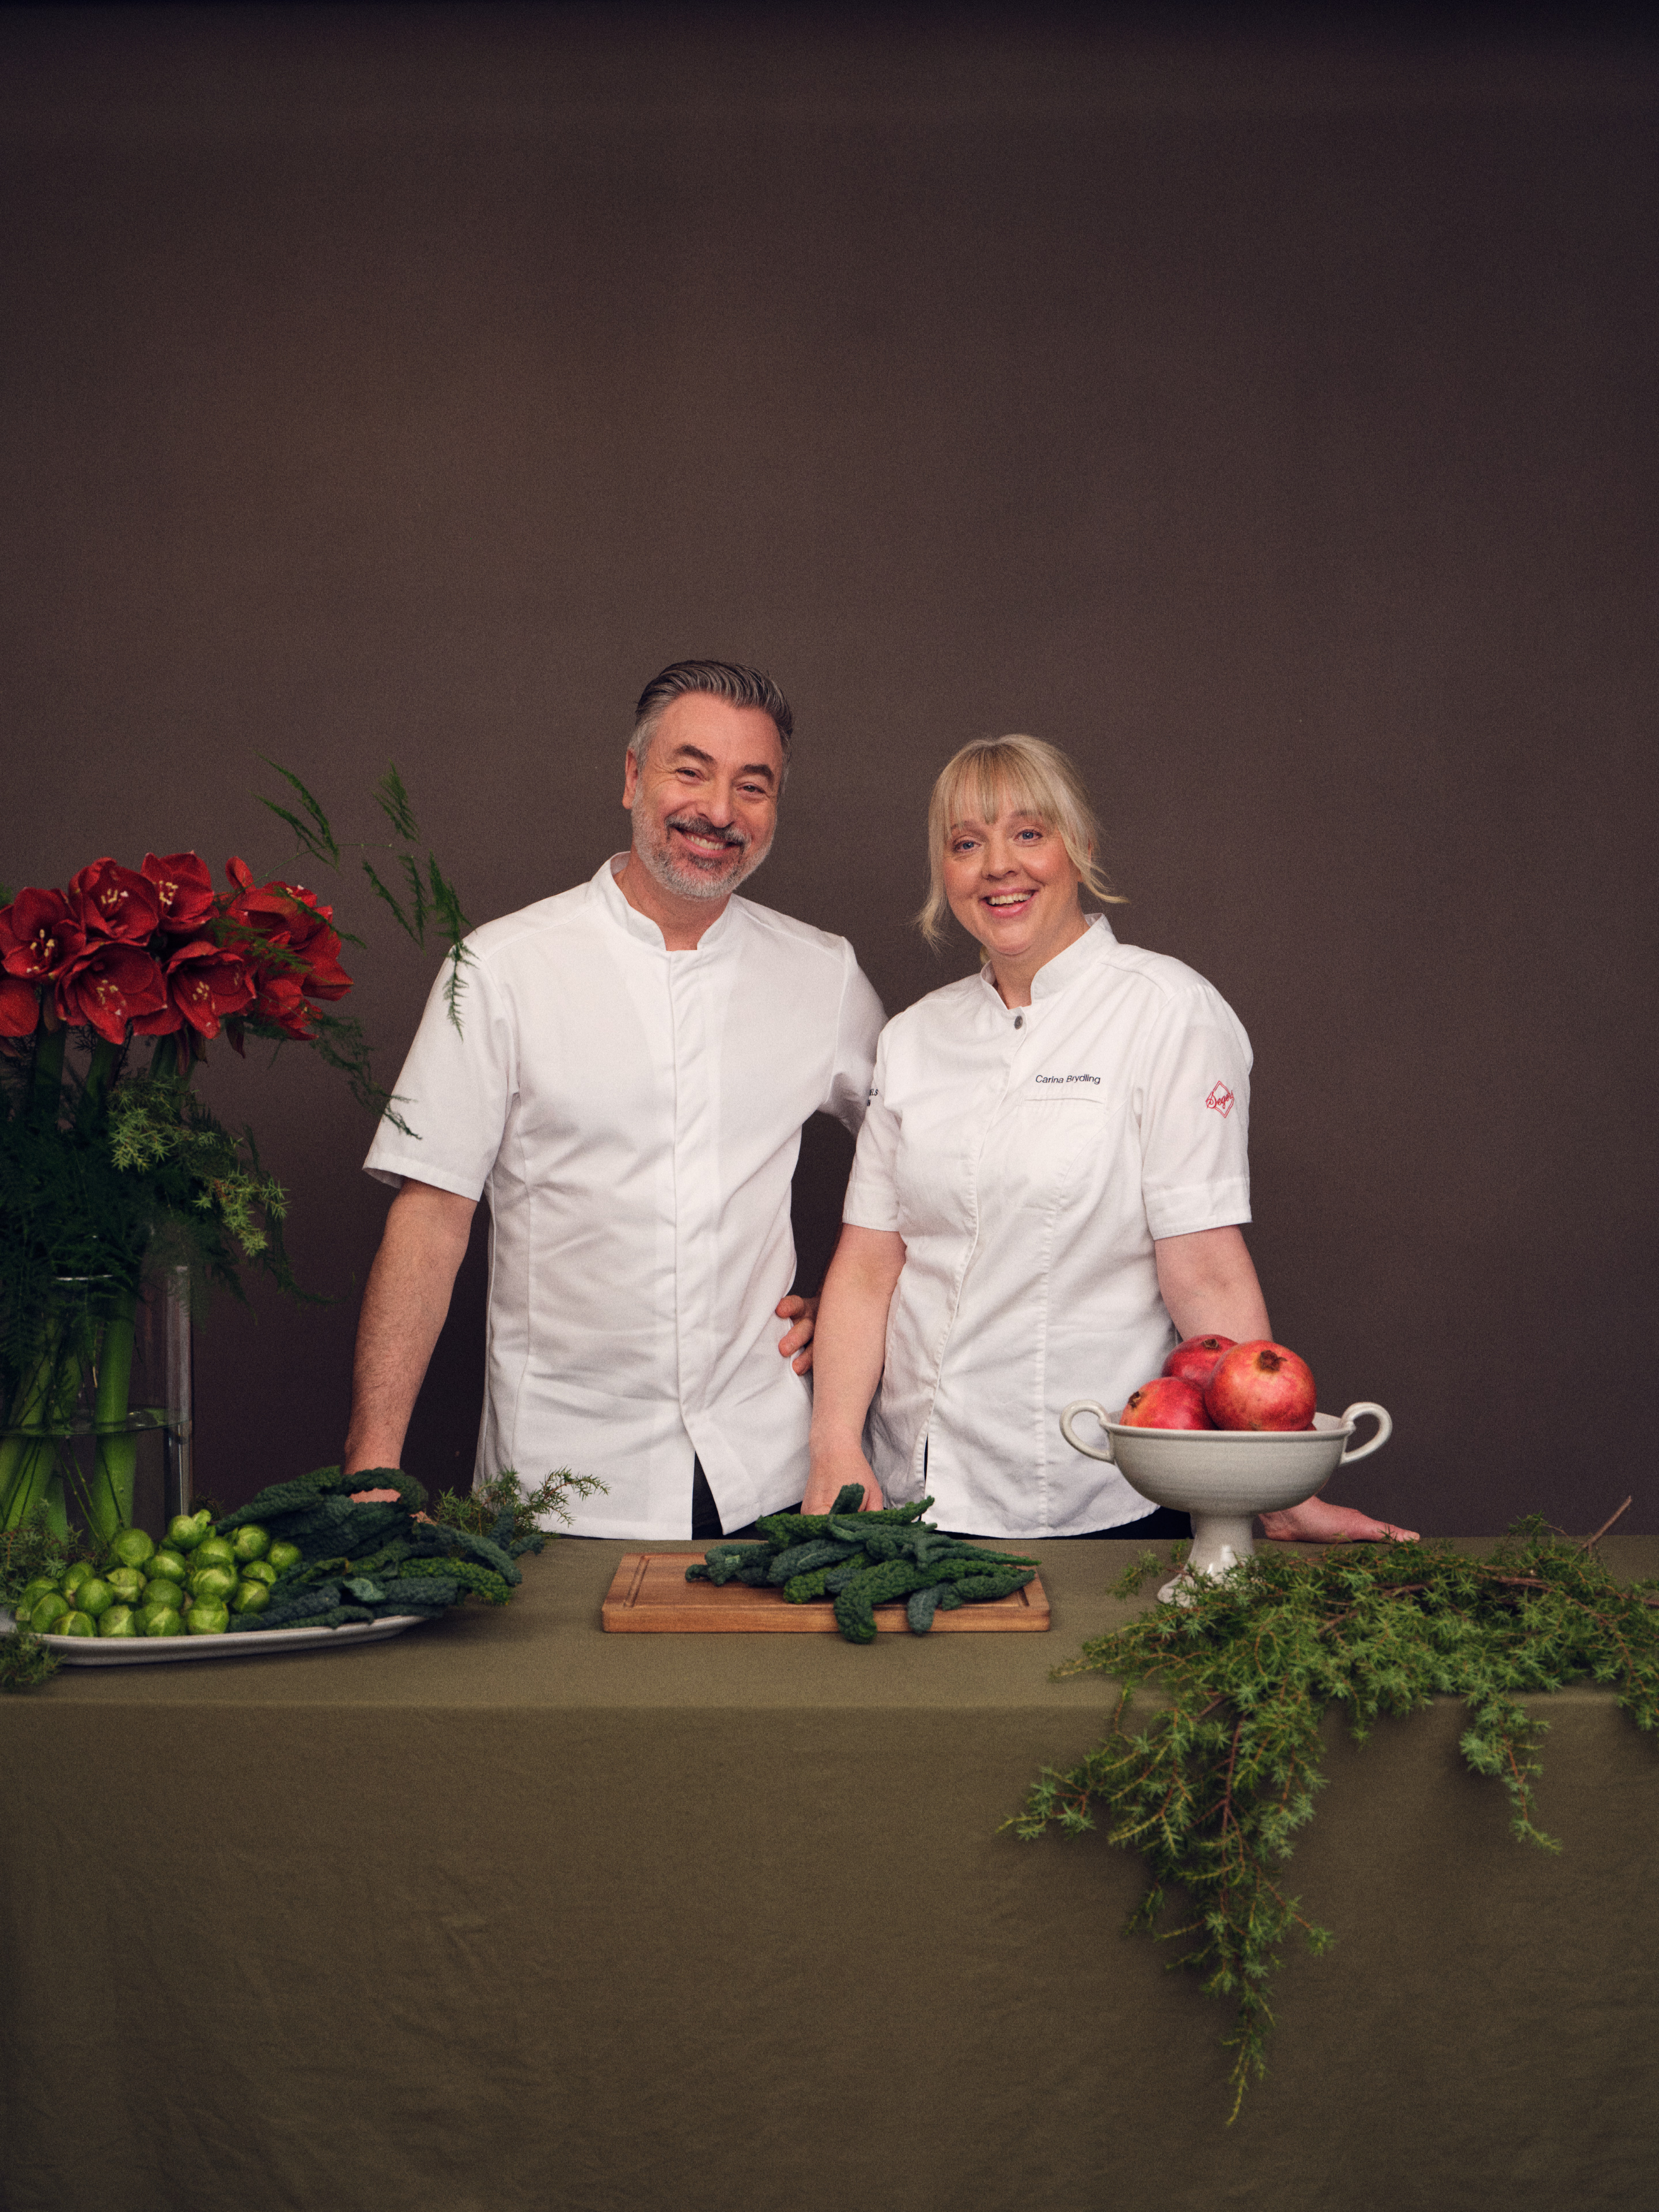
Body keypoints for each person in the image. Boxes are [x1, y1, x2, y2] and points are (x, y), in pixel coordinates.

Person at [804, 733, 1417, 1544]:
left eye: (1029, 833)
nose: (997, 866)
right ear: (943, 870)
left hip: (1093, 1497)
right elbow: (870, 1266)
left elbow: (1204, 1270)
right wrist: (835, 1445)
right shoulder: (915, 1037)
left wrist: (1276, 1486)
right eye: (965, 843)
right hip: (903, 1495)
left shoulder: (1169, 1013)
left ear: (1081, 847)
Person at [343, 661, 885, 1539]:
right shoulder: (500, 969)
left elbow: (926, 1161)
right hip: (559, 1479)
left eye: (754, 785)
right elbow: (432, 1218)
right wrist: (372, 1466)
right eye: (690, 770)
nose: (719, 810)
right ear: (633, 776)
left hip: (771, 1472)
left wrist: (859, 1307)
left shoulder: (822, 975)